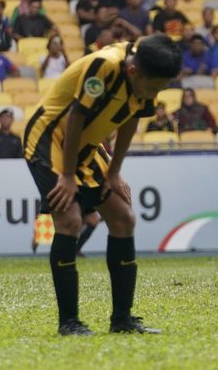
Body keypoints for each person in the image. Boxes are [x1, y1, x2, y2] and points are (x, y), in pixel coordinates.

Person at [23, 34, 182, 335]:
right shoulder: (104, 66)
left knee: (124, 218)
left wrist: (114, 172)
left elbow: (132, 119)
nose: (156, 94)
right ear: (134, 71)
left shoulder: (147, 74)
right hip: (49, 139)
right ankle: (68, 322)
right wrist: (68, 176)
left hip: (87, 143)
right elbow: (74, 119)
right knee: (69, 219)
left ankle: (122, 319)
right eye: (153, 88)